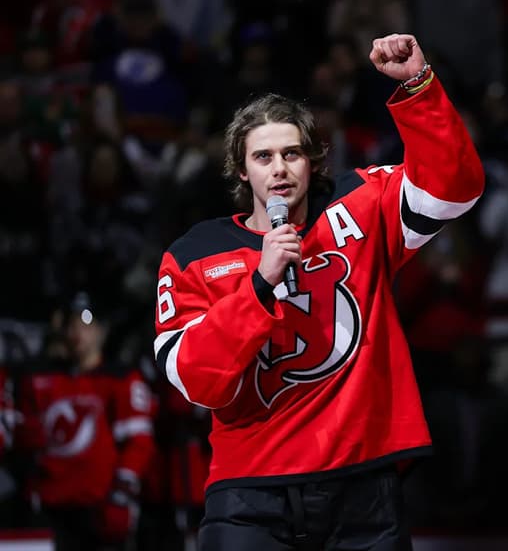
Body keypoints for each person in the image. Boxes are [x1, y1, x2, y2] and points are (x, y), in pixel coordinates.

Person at [153, 33, 484, 550]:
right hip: (249, 491)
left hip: (362, 481)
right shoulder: (194, 254)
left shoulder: (362, 203)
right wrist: (259, 286)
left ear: (313, 160)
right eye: (263, 157)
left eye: (292, 153)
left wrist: (418, 86)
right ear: (242, 169)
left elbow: (454, 189)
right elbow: (196, 381)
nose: (279, 169)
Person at [17, 291, 156, 550]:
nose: (77, 331)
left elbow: (138, 443)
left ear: (101, 330)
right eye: (70, 323)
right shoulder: (40, 377)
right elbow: (25, 439)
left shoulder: (120, 379)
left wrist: (121, 495)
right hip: (49, 507)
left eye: (86, 322)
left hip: (99, 509)